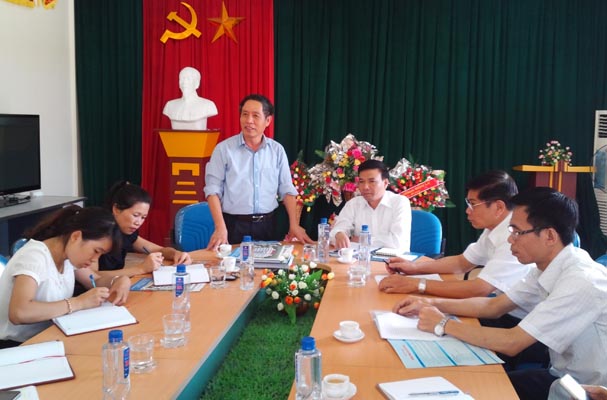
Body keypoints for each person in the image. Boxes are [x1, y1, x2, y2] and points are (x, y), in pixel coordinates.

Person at [392, 187, 607, 400]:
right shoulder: (547, 266)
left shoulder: (581, 281)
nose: (510, 239)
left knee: (483, 389)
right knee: (474, 384)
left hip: (588, 391)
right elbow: (493, 306)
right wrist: (429, 303)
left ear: (549, 236)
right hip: (562, 377)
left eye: (517, 232)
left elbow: (512, 342)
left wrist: (443, 324)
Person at [379, 170, 532, 303]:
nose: (467, 211)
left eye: (473, 204)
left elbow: (479, 288)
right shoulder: (495, 228)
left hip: (516, 318)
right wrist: (413, 267)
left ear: (499, 207)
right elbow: (462, 263)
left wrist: (417, 284)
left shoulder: (513, 237)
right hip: (499, 304)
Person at [0, 206, 130, 348]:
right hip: (17, 346)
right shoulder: (34, 257)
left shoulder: (67, 257)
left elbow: (95, 280)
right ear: (76, 237)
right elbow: (19, 312)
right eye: (96, 251)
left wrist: (120, 280)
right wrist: (78, 303)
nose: (95, 259)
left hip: (51, 336)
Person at [204, 94, 313, 247]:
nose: (249, 120)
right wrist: (220, 227)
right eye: (245, 114)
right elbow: (212, 190)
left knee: (270, 263)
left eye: (255, 116)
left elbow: (287, 190)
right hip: (233, 225)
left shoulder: (277, 150)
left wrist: (294, 225)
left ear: (268, 121)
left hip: (269, 225)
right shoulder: (223, 150)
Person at [97, 181, 192, 276]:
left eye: (143, 217)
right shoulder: (98, 234)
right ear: (116, 209)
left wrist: (176, 254)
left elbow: (158, 249)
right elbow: (93, 278)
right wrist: (141, 268)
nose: (138, 222)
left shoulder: (126, 233)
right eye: (135, 215)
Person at [329, 159, 411, 251]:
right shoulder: (353, 204)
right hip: (360, 258)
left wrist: (363, 239)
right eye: (361, 181)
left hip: (394, 259)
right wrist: (339, 234)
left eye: (372, 181)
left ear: (385, 183)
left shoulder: (400, 202)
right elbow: (335, 233)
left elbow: (398, 242)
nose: (365, 187)